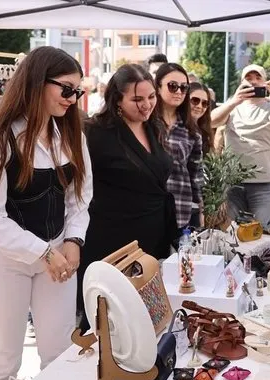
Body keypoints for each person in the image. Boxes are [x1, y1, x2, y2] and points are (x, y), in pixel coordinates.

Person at [0, 46, 92, 380]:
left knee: (60, 351)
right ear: (36, 82)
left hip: (58, 256)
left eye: (78, 91)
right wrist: (42, 252)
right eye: (66, 89)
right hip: (4, 262)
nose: (73, 98)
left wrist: (74, 240)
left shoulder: (71, 135)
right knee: (2, 357)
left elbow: (79, 199)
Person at [79, 64, 177, 332]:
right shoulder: (94, 132)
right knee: (108, 320)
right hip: (111, 238)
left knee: (147, 315)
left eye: (150, 97)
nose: (146, 105)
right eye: (137, 99)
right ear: (117, 100)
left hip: (152, 235)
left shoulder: (154, 127)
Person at [210, 64, 270, 225]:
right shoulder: (232, 108)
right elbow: (209, 122)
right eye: (248, 78)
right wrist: (234, 101)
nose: (253, 82)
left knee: (265, 235)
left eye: (258, 78)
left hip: (264, 186)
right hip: (232, 184)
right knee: (231, 236)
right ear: (241, 83)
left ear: (266, 83)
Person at [155, 63, 204, 230]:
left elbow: (195, 174)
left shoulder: (191, 131)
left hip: (180, 207)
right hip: (148, 206)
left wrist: (199, 209)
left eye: (184, 88)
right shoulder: (145, 123)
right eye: (172, 86)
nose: (178, 92)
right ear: (158, 87)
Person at [188, 82, 215, 155]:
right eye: (195, 100)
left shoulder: (205, 131)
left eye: (204, 103)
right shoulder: (176, 128)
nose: (199, 106)